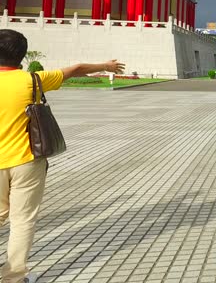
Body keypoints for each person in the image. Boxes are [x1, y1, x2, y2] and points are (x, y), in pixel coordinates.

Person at [0, 30, 124, 282]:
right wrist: (107, 65)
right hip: (27, 160)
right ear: (22, 56)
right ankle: (13, 278)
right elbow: (76, 68)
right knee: (22, 221)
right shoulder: (33, 80)